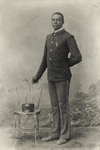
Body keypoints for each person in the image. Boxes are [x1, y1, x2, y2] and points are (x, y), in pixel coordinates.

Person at [32, 12, 82, 145]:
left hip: (63, 77)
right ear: (51, 21)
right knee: (54, 106)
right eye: (53, 20)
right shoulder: (48, 37)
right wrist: (38, 75)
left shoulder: (68, 37)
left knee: (63, 106)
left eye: (58, 20)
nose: (55, 22)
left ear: (63, 22)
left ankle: (64, 135)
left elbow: (77, 57)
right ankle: (55, 133)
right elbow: (44, 60)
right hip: (51, 77)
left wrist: (64, 65)